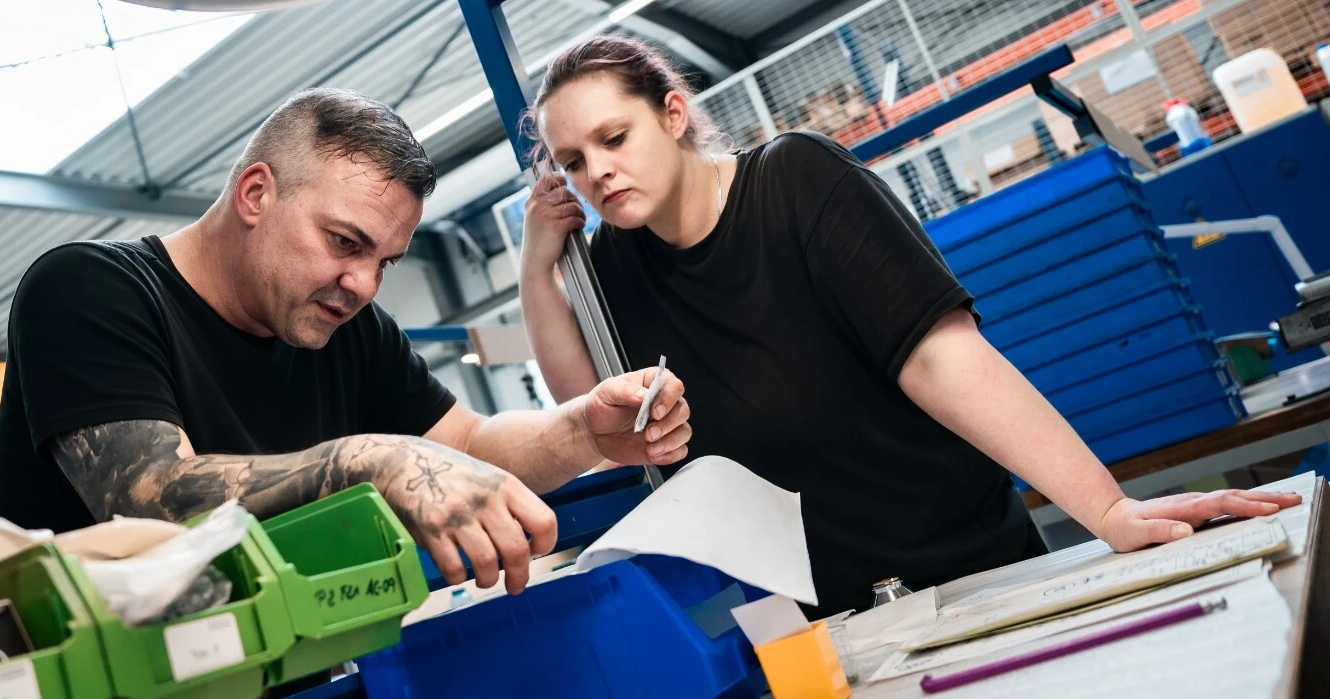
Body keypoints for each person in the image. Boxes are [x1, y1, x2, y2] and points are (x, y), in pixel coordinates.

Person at [518, 35, 1299, 615]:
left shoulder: (796, 180)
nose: (597, 172)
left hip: (972, 573)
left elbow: (939, 360)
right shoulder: (615, 265)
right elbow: (592, 418)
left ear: (673, 113)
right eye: (574, 161)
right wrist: (535, 267)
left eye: (613, 139)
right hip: (828, 619)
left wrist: (1105, 511)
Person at [0, 87, 692, 596]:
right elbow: (148, 495)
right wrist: (368, 458)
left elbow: (468, 448)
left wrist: (583, 430)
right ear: (256, 193)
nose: (361, 284)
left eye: (385, 260)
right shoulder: (88, 289)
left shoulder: (348, 327)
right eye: (344, 241)